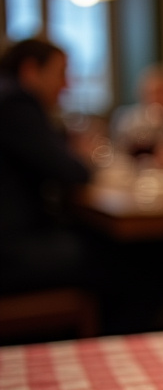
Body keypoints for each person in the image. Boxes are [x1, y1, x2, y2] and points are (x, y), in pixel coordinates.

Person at [0, 38, 92, 295]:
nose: (66, 84)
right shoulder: (15, 105)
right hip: (11, 250)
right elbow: (72, 172)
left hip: (14, 241)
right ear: (31, 70)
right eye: (61, 73)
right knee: (129, 260)